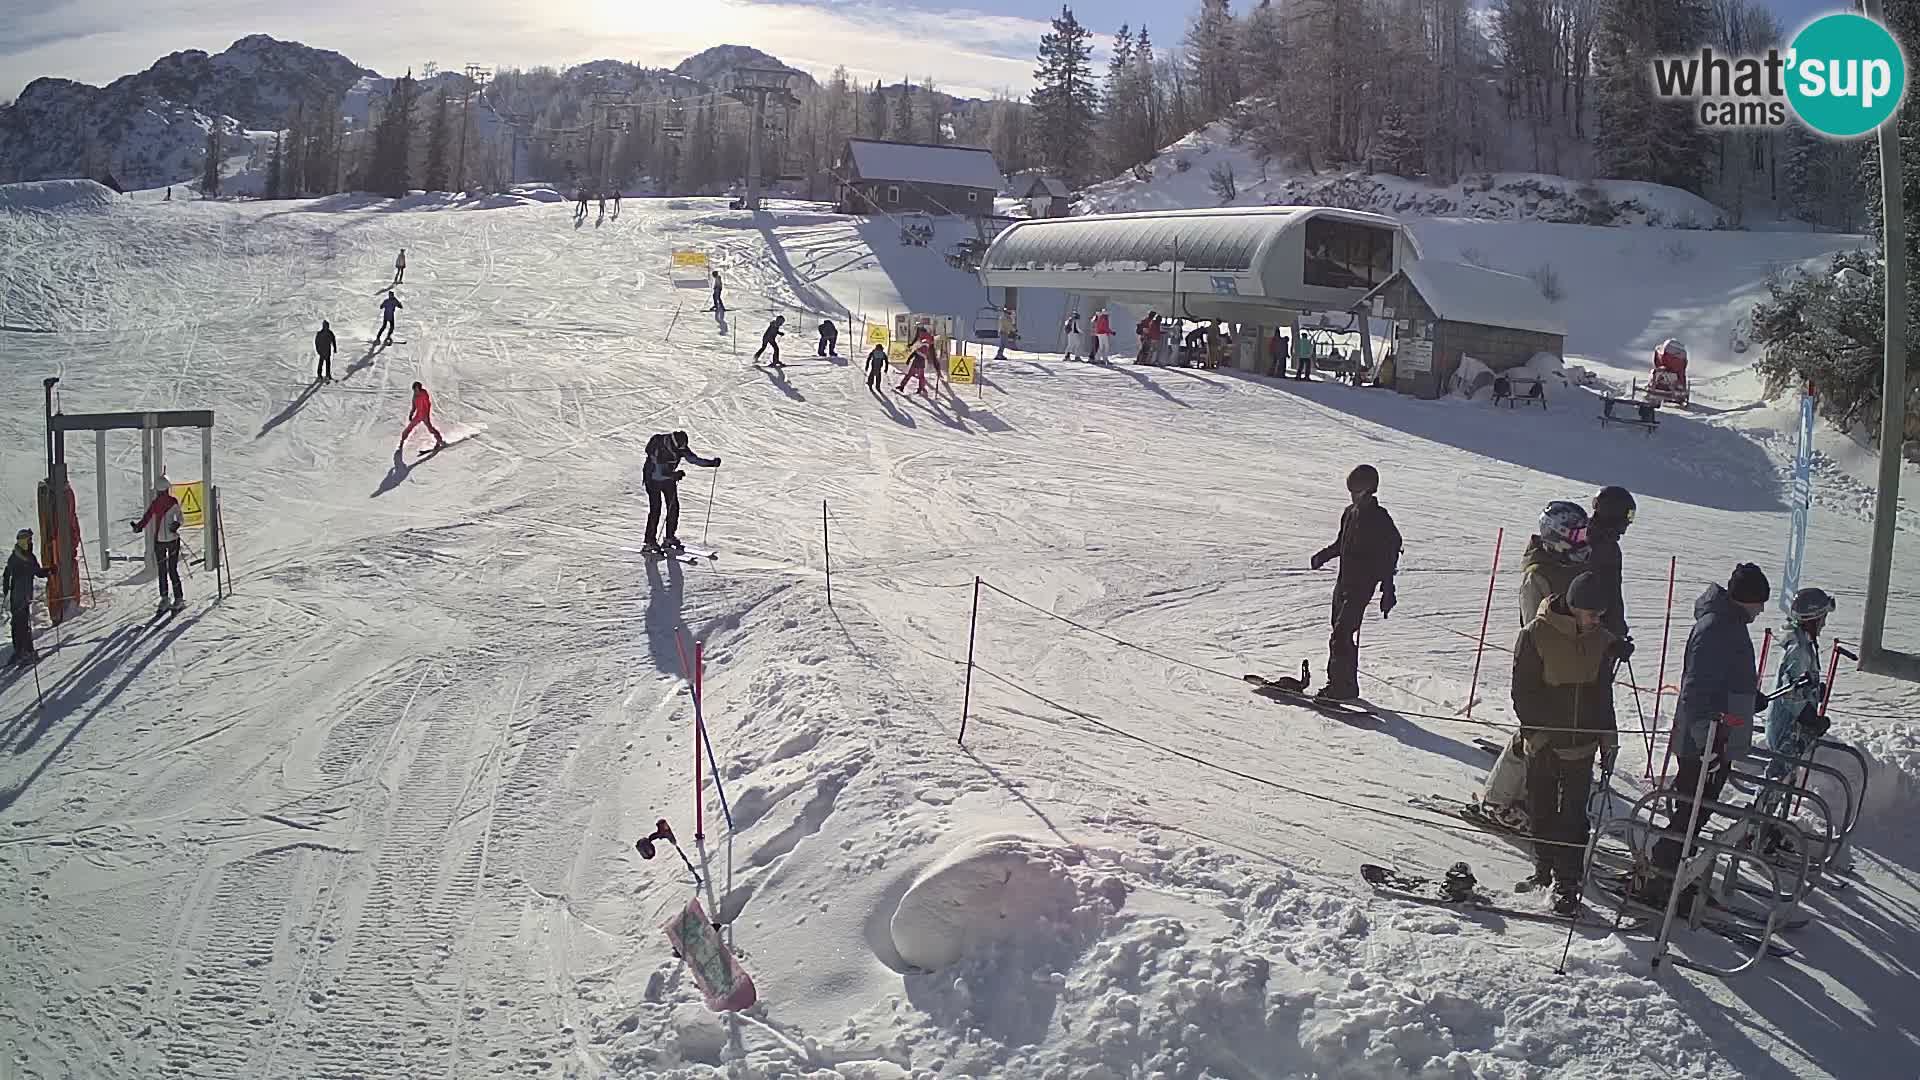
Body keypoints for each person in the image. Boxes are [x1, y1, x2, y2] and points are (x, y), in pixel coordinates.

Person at [1645, 563, 1770, 899]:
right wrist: (1706, 741)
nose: (1761, 610)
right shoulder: (1716, 627)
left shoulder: (1730, 623)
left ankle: (1675, 870)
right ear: (1745, 598)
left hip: (1719, 736)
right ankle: (1661, 874)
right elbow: (1697, 690)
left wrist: (1747, 697)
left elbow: (1726, 676)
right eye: (1759, 602)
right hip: (1705, 738)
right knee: (1691, 808)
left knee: (1700, 808)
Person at [1479, 501, 1594, 831]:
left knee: (1556, 735)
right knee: (1534, 732)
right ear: (1556, 535)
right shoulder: (1538, 576)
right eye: (1577, 533)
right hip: (1543, 666)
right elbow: (1536, 628)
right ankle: (1497, 800)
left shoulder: (1570, 565)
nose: (1583, 539)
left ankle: (1530, 793)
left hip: (1571, 663)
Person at [1511, 571, 1621, 915]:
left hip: (1582, 745)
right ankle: (1543, 872)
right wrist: (1540, 735)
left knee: (1574, 817)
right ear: (1573, 607)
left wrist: (1609, 738)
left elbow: (1603, 694)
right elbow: (1523, 694)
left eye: (1600, 616)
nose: (1596, 621)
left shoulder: (1600, 639)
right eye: (1591, 614)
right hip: (1544, 743)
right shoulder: (1535, 635)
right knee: (1541, 809)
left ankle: (1568, 882)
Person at [1309, 465, 1402, 702]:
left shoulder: (1379, 518)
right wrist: (1323, 555)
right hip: (1344, 582)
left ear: (1368, 489)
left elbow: (1390, 553)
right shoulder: (1349, 512)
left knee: (1341, 634)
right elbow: (1341, 543)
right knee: (1339, 633)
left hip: (1362, 584)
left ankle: (1340, 687)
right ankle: (1345, 684)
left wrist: (1387, 588)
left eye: (1356, 489)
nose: (1352, 494)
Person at [1754, 587, 1837, 848]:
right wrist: (1810, 717)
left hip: (1793, 727)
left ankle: (1767, 828)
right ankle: (1756, 831)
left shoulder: (1804, 643)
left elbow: (1801, 683)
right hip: (1788, 727)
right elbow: (1791, 692)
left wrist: (1815, 689)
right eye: (1822, 618)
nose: (1824, 623)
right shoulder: (1799, 648)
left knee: (1783, 779)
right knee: (1776, 778)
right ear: (1813, 618)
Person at [642, 430, 720, 554]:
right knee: (656, 509)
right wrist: (673, 475)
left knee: (673, 507)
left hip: (669, 478)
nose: (681, 451)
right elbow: (658, 474)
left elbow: (694, 459)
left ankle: (669, 537)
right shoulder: (659, 446)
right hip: (652, 479)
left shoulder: (680, 447)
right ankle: (649, 541)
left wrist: (711, 463)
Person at [131, 479, 185, 612]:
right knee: (172, 569)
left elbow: (147, 517)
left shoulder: (156, 503)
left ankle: (165, 598)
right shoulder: (172, 501)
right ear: (167, 488)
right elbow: (180, 518)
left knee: (162, 570)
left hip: (160, 542)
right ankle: (178, 598)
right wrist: (176, 525)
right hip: (172, 540)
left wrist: (138, 527)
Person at [4, 528, 50, 666]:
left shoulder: (22, 557)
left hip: (21, 596)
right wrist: (7, 591)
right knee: (21, 623)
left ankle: (21, 651)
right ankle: (25, 652)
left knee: (19, 623)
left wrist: (50, 571)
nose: (31, 542)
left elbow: (37, 572)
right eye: (29, 540)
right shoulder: (21, 558)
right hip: (20, 596)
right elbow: (7, 576)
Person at [402, 381, 445, 452]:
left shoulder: (424, 394)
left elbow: (428, 404)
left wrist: (426, 414)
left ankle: (439, 441)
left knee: (430, 429)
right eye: (414, 389)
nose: (416, 391)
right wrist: (411, 414)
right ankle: (402, 441)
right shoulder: (415, 396)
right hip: (418, 415)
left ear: (419, 388)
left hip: (424, 415)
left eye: (417, 389)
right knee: (409, 427)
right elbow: (414, 406)